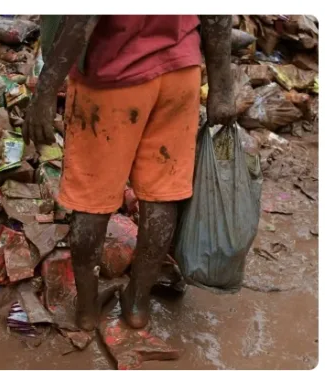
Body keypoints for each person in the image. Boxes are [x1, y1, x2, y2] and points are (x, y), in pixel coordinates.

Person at [23, 15, 235, 331]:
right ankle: (137, 305)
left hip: (113, 77)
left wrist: (45, 91)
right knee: (162, 196)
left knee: (91, 201)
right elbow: (216, 14)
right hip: (180, 73)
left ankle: (87, 310)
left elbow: (83, 16)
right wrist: (221, 88)